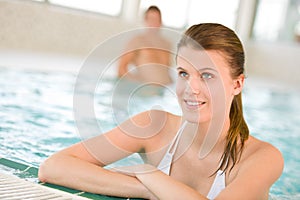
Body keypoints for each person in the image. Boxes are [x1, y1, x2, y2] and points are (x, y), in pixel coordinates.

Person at [38, 23, 284, 200]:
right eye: (183, 74)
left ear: (237, 84)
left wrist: (151, 175)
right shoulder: (154, 126)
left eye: (207, 76)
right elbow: (53, 167)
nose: (191, 89)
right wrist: (147, 187)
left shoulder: (262, 158)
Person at [117, 5, 173, 86]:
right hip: (146, 92)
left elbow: (167, 71)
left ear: (161, 22)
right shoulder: (137, 41)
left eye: (157, 19)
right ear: (145, 21)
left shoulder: (167, 44)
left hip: (165, 89)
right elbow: (121, 69)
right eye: (151, 19)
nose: (154, 23)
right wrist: (136, 83)